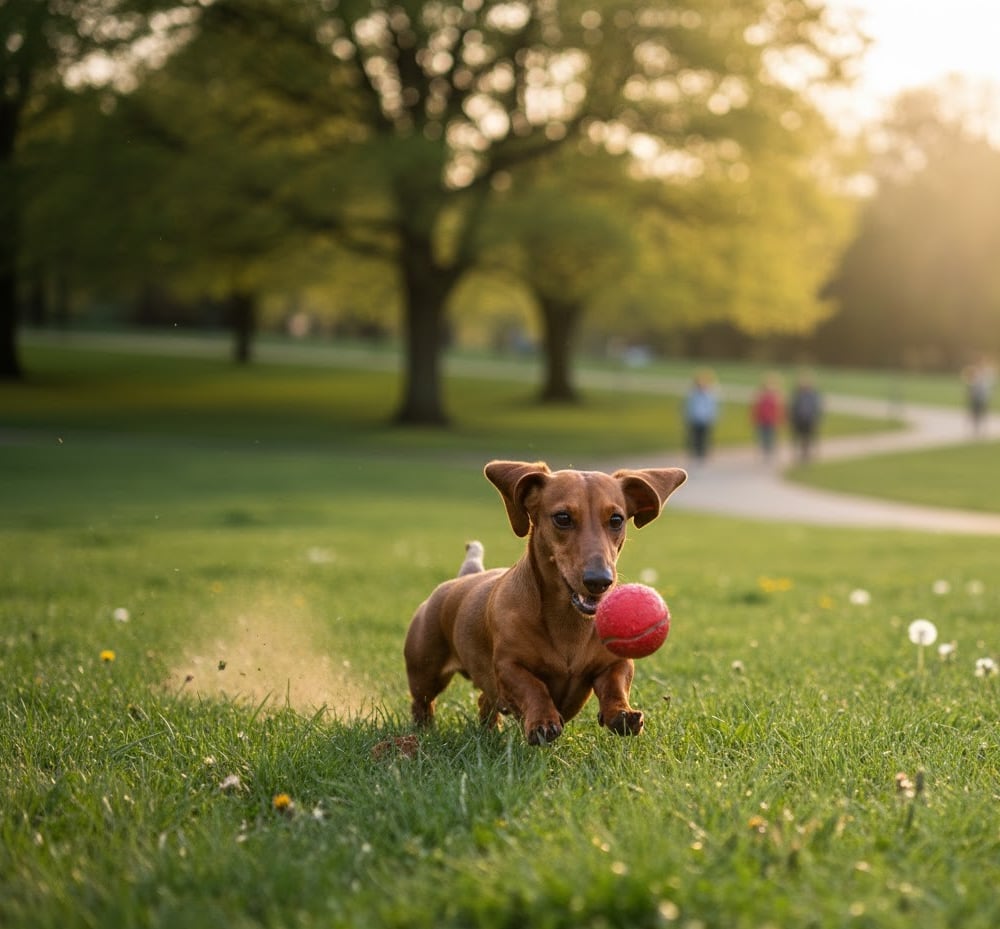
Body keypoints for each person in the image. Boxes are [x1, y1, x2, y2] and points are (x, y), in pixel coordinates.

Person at [684, 369, 719, 462]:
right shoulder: (693, 394)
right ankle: (695, 452)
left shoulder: (709, 395)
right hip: (695, 419)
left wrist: (712, 417)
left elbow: (712, 408)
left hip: (705, 419)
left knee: (704, 437)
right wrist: (688, 417)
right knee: (695, 436)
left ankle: (703, 453)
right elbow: (689, 407)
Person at [789, 371, 822, 463]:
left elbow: (817, 407)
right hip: (798, 420)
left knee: (807, 437)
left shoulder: (813, 394)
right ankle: (798, 454)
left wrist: (816, 418)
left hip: (809, 420)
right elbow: (793, 407)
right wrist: (792, 418)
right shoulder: (797, 394)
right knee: (798, 437)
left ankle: (806, 454)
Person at [751, 373, 783, 461]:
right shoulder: (760, 395)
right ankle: (765, 453)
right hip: (762, 420)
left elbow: (779, 409)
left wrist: (779, 419)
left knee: (772, 437)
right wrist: (754, 418)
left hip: (772, 420)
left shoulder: (776, 395)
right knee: (763, 437)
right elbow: (756, 408)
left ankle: (771, 453)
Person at [963, 360, 993, 437]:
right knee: (975, 414)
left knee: (981, 414)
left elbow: (986, 389)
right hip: (976, 399)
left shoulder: (985, 377)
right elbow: (970, 388)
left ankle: (983, 430)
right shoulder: (976, 376)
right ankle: (976, 430)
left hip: (982, 399)